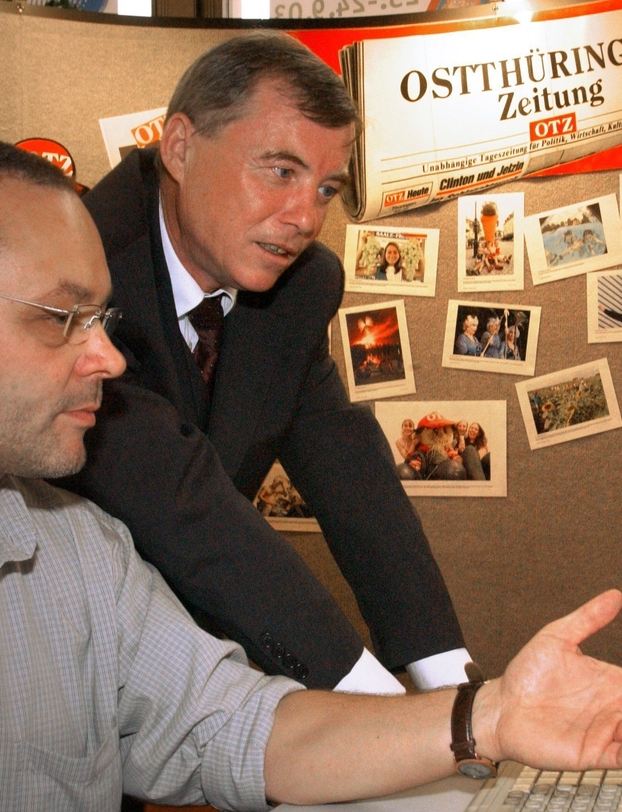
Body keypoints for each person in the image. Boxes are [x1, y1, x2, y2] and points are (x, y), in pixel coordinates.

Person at [0, 135, 622, 810]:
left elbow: (241, 726)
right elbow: (190, 506)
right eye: (60, 318)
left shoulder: (81, 558)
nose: (104, 354)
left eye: (100, 318)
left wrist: (484, 714)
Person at [59, 32, 473, 694]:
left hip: (184, 659)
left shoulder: (299, 286)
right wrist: (384, 708)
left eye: (326, 188)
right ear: (180, 147)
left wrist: (450, 681)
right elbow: (179, 498)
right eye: (280, 172)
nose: (305, 217)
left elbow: (351, 475)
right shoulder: (79, 271)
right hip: (49, 651)